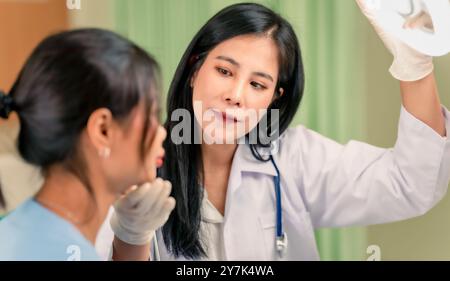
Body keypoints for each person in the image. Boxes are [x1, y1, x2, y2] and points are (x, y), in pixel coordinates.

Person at [109, 2, 450, 260]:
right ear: (195, 68)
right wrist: (130, 235)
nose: (236, 95)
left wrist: (415, 66)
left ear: (275, 98)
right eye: (225, 72)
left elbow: (410, 185)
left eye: (258, 84)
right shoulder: (133, 165)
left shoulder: (295, 159)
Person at [0, 28, 175, 261]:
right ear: (102, 130)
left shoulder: (28, 232)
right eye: (151, 115)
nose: (162, 132)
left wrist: (132, 237)